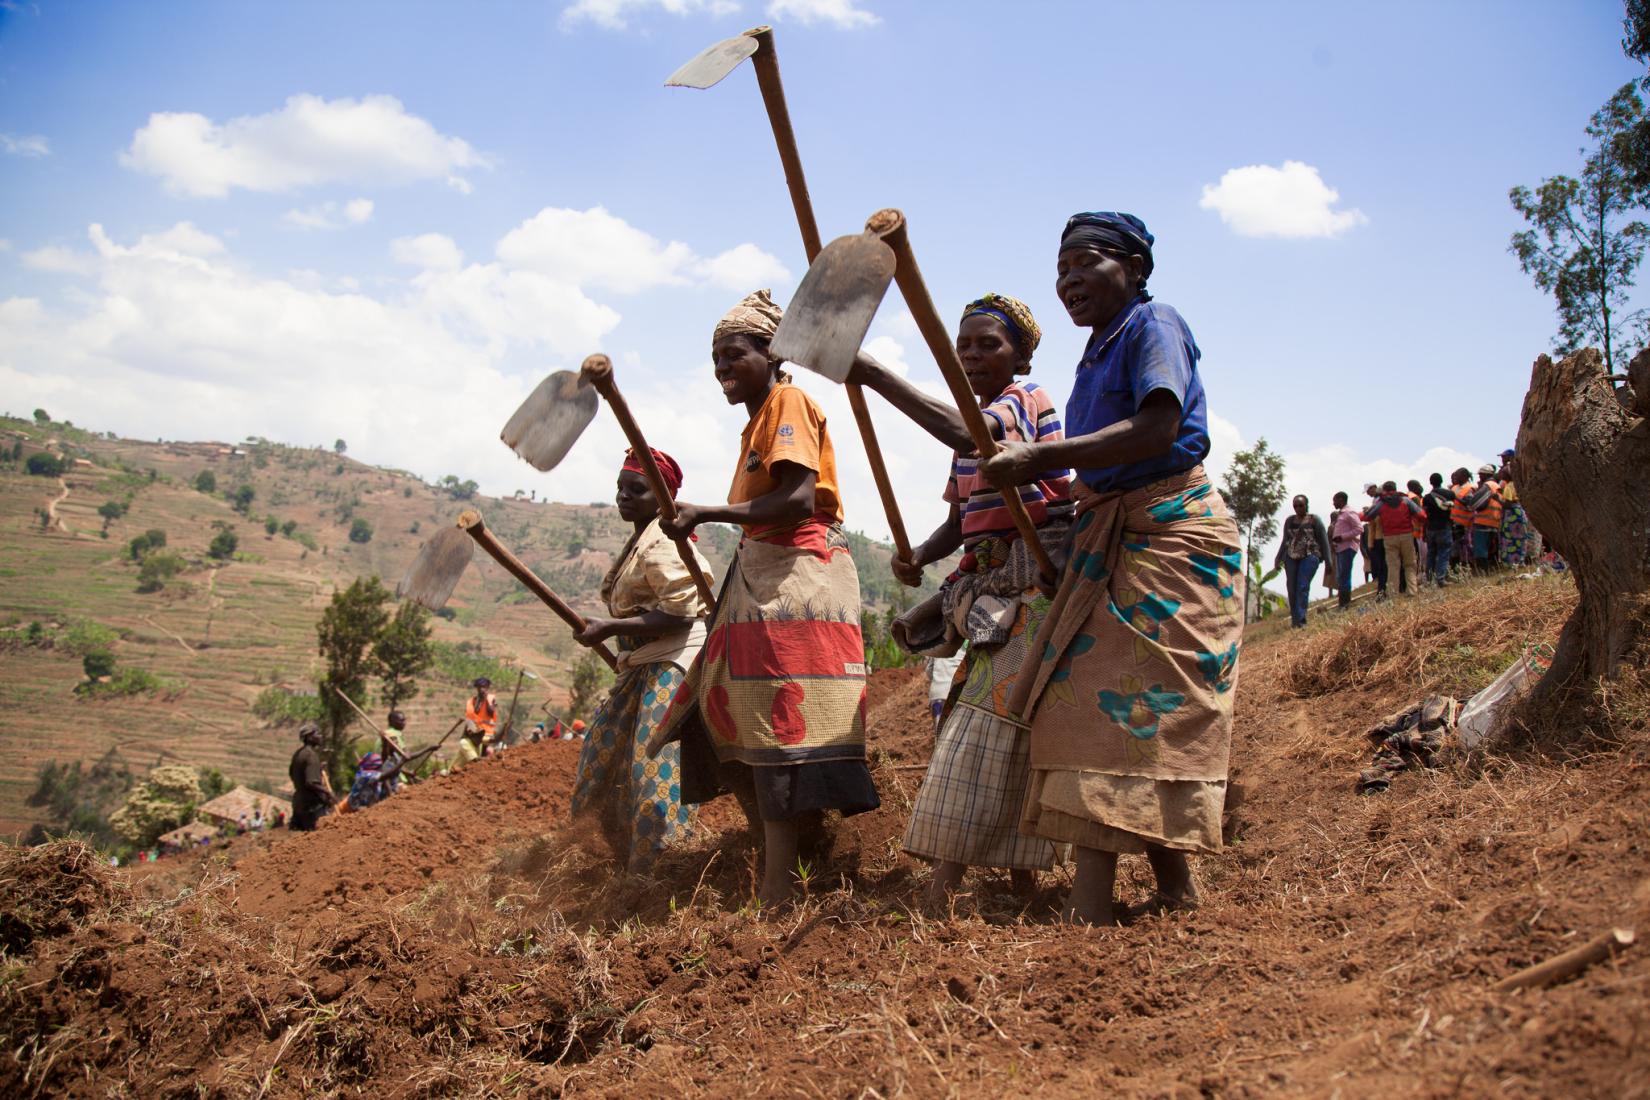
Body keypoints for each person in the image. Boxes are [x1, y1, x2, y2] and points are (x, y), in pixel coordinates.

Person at [977, 211, 1243, 925]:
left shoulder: (1154, 325)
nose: (1068, 281)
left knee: (1106, 708)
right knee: (1113, 712)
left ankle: (1089, 912)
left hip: (1169, 535)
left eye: (1084, 263)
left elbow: (1158, 428)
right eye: (1059, 268)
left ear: (1135, 267)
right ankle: (1174, 890)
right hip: (1113, 535)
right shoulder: (1097, 350)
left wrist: (1043, 458)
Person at [653, 289, 878, 908]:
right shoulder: (756, 422)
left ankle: (780, 886)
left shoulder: (790, 401)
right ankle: (791, 851)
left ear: (772, 353)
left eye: (734, 355)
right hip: (762, 577)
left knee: (783, 721)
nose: (723, 369)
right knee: (719, 714)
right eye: (716, 360)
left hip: (798, 583)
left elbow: (798, 499)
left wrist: (710, 510)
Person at [847, 292, 1073, 908]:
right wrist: (916, 556)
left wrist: (874, 374)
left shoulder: (1022, 403)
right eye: (963, 345)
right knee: (998, 725)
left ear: (1020, 355)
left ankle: (944, 888)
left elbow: (969, 433)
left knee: (982, 721)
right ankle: (1021, 878)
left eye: (988, 344)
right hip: (986, 587)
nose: (971, 354)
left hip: (1033, 582)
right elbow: (960, 520)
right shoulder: (973, 427)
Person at [567, 445, 715, 875]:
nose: (623, 496)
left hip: (674, 660)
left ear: (662, 497)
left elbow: (685, 611)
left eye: (637, 489)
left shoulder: (665, 543)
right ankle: (594, 857)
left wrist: (610, 629)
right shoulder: (642, 539)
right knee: (601, 749)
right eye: (620, 488)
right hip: (642, 662)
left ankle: (659, 868)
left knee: (653, 766)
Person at [1274, 495, 1331, 628]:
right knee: (1292, 588)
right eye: (1295, 506)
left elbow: (1324, 540)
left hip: (1310, 555)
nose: (1298, 508)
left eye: (1301, 505)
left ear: (1306, 505)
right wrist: (1278, 558)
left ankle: (1301, 620)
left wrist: (1328, 562)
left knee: (1302, 586)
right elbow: (1285, 541)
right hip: (1291, 556)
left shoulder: (1314, 520)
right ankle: (1295, 620)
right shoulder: (1289, 521)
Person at [1366, 481, 1421, 597]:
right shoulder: (1405, 500)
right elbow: (1421, 514)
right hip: (1406, 535)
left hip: (1389, 537)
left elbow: (1368, 516)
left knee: (1392, 566)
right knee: (1409, 564)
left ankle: (1393, 594)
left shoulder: (1381, 503)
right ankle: (1412, 591)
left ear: (1384, 491)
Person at [1497, 450, 1540, 567]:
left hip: (1512, 515)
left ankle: (1513, 562)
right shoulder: (1517, 484)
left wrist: (1497, 499)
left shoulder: (1509, 487)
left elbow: (1508, 503)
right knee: (1520, 537)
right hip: (1520, 512)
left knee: (1511, 538)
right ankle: (1520, 560)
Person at [288, 721, 334, 831]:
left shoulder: (298, 754)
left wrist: (317, 768)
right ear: (309, 737)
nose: (320, 736)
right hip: (312, 806)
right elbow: (311, 782)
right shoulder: (311, 756)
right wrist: (329, 793)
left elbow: (292, 773)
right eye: (317, 733)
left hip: (299, 803)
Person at [1327, 491, 1363, 609]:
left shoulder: (1349, 512)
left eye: (1335, 500)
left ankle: (1345, 604)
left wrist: (1342, 537)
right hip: (1340, 548)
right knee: (1341, 576)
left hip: (1348, 547)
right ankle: (1342, 603)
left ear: (1341, 500)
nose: (1333, 503)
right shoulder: (1341, 514)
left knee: (1344, 575)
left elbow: (1359, 529)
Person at [1421, 473, 1456, 586]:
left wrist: (1424, 531)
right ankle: (1441, 578)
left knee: (1431, 553)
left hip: (1431, 528)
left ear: (1431, 483)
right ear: (1441, 481)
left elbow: (1425, 513)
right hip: (1444, 526)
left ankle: (1429, 578)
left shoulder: (1427, 498)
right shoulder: (1449, 494)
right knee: (1444, 552)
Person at [1470, 463, 1503, 573]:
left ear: (1485, 475)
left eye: (1480, 475)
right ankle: (1491, 569)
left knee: (1480, 548)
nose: (1479, 478)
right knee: (1490, 547)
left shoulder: (1488, 485)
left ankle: (1483, 571)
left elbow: (1475, 503)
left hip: (1483, 521)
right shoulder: (1497, 485)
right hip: (1494, 521)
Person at [457, 677, 496, 766]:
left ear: (487, 687)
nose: (482, 689)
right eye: (479, 687)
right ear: (477, 688)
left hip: (487, 732)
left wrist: (485, 698)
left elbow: (491, 711)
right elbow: (472, 715)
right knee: (471, 748)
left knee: (483, 750)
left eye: (484, 687)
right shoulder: (473, 700)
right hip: (475, 731)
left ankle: (482, 763)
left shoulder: (491, 699)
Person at [1448, 467, 1476, 575]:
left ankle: (1468, 570)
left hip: (1466, 523)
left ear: (1464, 477)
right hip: (1454, 522)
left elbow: (1469, 504)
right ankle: (1455, 571)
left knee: (1467, 547)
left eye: (1458, 476)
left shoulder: (1470, 488)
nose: (1456, 478)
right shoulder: (1454, 488)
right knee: (1455, 548)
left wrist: (1455, 498)